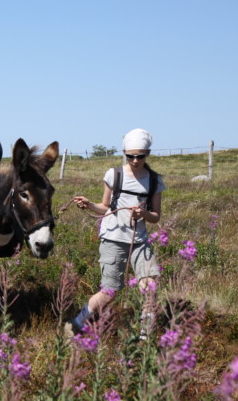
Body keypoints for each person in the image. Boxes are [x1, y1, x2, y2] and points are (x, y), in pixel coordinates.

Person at [66, 128, 166, 339]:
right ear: (124, 153)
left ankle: (144, 337)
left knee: (149, 287)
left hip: (139, 241)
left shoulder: (155, 181)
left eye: (140, 156)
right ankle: (76, 325)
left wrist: (144, 213)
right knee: (110, 292)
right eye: (130, 156)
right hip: (112, 238)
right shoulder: (114, 175)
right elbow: (105, 207)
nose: (135, 160)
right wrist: (89, 205)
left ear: (147, 153)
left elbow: (156, 216)